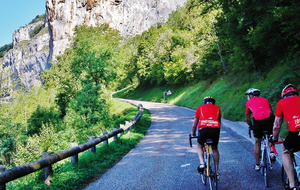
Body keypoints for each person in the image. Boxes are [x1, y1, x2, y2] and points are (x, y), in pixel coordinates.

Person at [270, 84, 300, 190]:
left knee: (286, 151)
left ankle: (292, 184)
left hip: (296, 132)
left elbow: (277, 125)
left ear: (284, 95)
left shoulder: (282, 103)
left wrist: (274, 138)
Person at [245, 88, 275, 171]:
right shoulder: (265, 100)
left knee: (257, 142)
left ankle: (257, 164)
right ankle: (272, 152)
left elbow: (247, 118)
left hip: (258, 121)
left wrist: (251, 126)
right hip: (269, 118)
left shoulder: (248, 102)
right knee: (270, 136)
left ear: (251, 95)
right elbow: (271, 111)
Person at [192, 96, 221, 176]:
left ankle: (202, 163)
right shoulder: (218, 108)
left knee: (199, 145)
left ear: (204, 102)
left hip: (203, 129)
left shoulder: (200, 108)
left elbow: (194, 125)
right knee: (214, 148)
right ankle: (217, 171)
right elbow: (219, 121)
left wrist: (194, 133)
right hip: (215, 129)